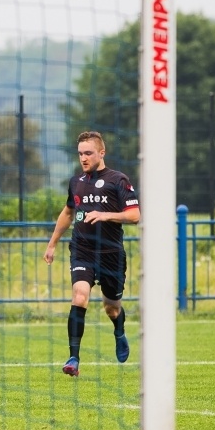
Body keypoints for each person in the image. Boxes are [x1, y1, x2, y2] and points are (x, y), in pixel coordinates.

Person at [43, 131, 140, 377]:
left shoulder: (118, 180)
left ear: (101, 153)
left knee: (112, 308)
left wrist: (106, 215)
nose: (83, 158)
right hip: (82, 250)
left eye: (88, 153)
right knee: (80, 295)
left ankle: (119, 332)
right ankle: (73, 357)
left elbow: (134, 215)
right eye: (80, 154)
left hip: (111, 254)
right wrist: (52, 243)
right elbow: (67, 213)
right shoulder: (76, 182)